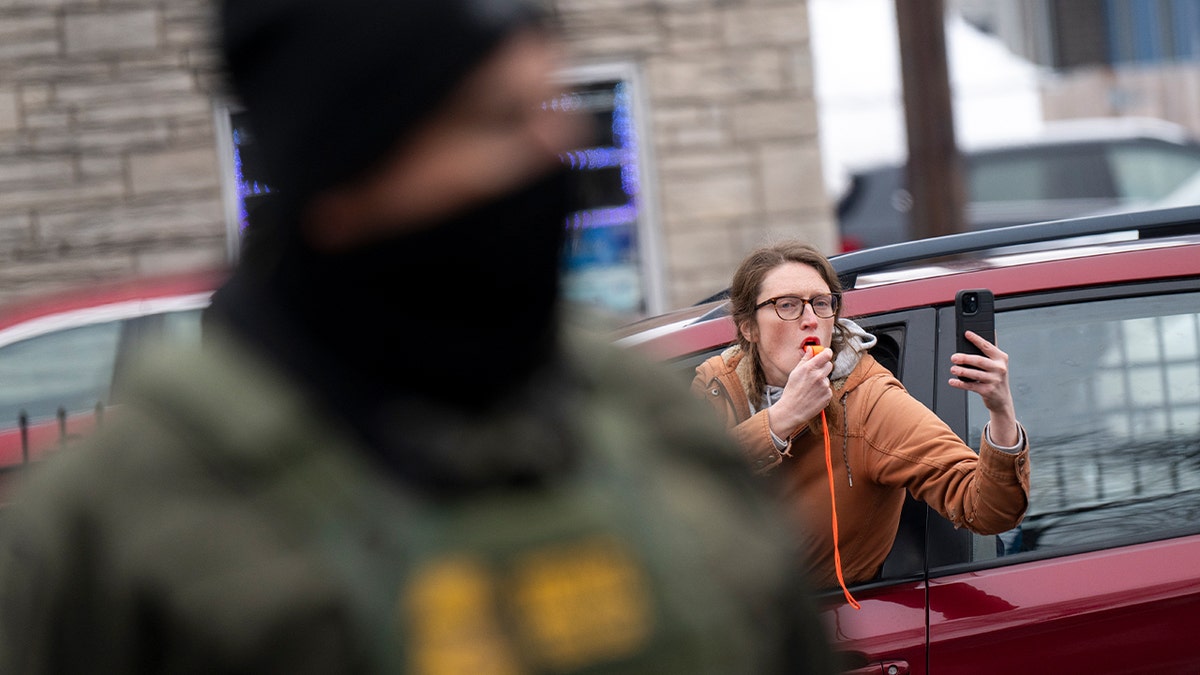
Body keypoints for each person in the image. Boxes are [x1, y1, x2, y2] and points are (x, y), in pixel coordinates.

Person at [0, 1, 837, 673]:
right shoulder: (116, 535)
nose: (558, 156)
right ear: (346, 170)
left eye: (550, 108)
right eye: (497, 119)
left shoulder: (647, 422)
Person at [693, 240, 1030, 595]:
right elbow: (678, 493)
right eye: (787, 305)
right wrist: (780, 420)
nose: (810, 319)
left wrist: (1001, 410)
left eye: (821, 304)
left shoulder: (871, 403)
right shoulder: (719, 380)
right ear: (749, 328)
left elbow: (989, 509)